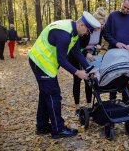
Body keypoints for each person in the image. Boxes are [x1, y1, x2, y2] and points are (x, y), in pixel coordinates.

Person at [28, 11, 100, 139]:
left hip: (44, 63)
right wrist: (77, 72)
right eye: (88, 30)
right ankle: (58, 129)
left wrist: (89, 68)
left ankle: (42, 126)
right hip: (40, 62)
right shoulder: (65, 35)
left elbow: (77, 53)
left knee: (45, 94)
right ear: (82, 25)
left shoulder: (73, 31)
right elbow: (62, 59)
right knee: (53, 94)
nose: (87, 34)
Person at [68, 7, 107, 115]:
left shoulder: (100, 30)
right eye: (99, 25)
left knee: (90, 80)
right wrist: (86, 54)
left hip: (90, 56)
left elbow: (95, 43)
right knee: (77, 79)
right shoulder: (86, 30)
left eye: (103, 25)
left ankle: (89, 106)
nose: (100, 27)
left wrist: (98, 46)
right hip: (76, 56)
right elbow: (76, 47)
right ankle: (77, 107)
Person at [103, 0, 129, 102]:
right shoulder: (112, 16)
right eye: (124, 7)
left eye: (128, 9)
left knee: (126, 75)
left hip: (127, 53)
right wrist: (116, 43)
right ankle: (112, 100)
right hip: (113, 52)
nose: (125, 10)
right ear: (121, 3)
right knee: (113, 75)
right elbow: (105, 33)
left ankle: (126, 101)